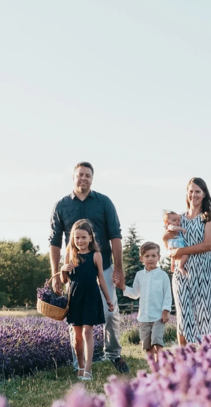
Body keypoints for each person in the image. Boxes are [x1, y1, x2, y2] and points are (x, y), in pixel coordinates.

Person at [49, 162, 130, 374]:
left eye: (87, 175)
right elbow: (54, 242)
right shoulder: (61, 206)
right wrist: (56, 274)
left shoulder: (104, 202)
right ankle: (80, 363)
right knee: (76, 318)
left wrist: (119, 268)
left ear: (92, 179)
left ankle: (113, 354)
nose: (83, 178)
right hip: (75, 272)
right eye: (80, 175)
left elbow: (116, 235)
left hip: (101, 265)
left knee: (111, 314)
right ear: (73, 178)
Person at [163, 177, 211, 345]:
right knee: (183, 315)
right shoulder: (179, 218)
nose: (193, 195)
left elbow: (208, 245)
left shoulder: (209, 217)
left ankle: (206, 360)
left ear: (204, 194)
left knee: (204, 318)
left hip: (205, 272)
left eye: (197, 191)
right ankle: (183, 360)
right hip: (182, 272)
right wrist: (167, 242)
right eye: (191, 191)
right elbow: (167, 237)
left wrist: (181, 251)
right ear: (187, 193)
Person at [59, 219, 116, 381]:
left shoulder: (96, 255)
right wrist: (63, 269)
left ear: (90, 238)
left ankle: (88, 369)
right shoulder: (70, 255)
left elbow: (101, 279)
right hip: (75, 297)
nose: (80, 241)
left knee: (87, 331)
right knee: (76, 337)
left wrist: (108, 299)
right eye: (77, 238)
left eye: (84, 237)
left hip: (91, 295)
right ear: (73, 239)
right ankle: (80, 365)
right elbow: (64, 281)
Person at [122, 241, 172, 365]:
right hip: (143, 317)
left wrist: (166, 311)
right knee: (146, 344)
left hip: (158, 317)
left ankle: (160, 364)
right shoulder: (139, 275)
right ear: (141, 258)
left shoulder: (163, 275)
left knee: (157, 341)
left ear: (159, 257)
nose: (150, 259)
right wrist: (123, 287)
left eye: (153, 256)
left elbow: (167, 295)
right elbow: (135, 293)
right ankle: (153, 366)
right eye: (147, 256)